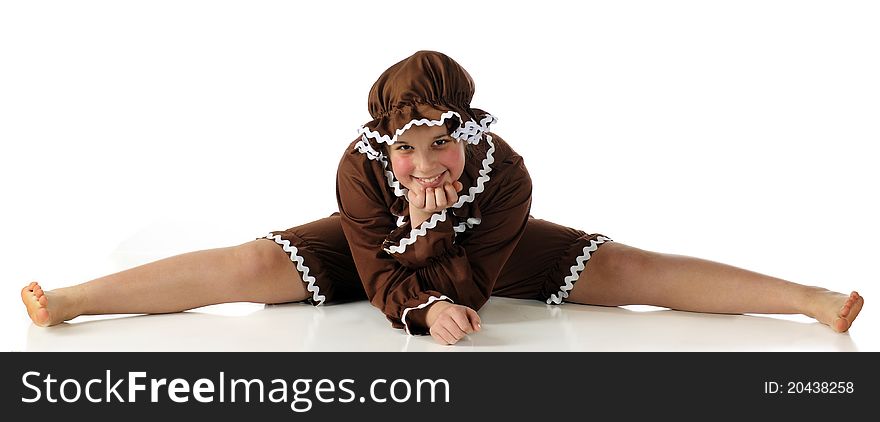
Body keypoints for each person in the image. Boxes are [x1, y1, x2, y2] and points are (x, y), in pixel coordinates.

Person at [21, 50, 863, 345]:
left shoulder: (507, 176)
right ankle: (70, 301)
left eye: (442, 143)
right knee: (248, 264)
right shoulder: (359, 172)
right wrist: (417, 290)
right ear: (384, 141)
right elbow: (383, 279)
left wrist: (438, 282)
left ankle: (809, 301)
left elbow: (471, 292)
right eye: (408, 148)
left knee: (629, 271)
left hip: (486, 253)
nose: (426, 165)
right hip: (369, 251)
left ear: (470, 131)